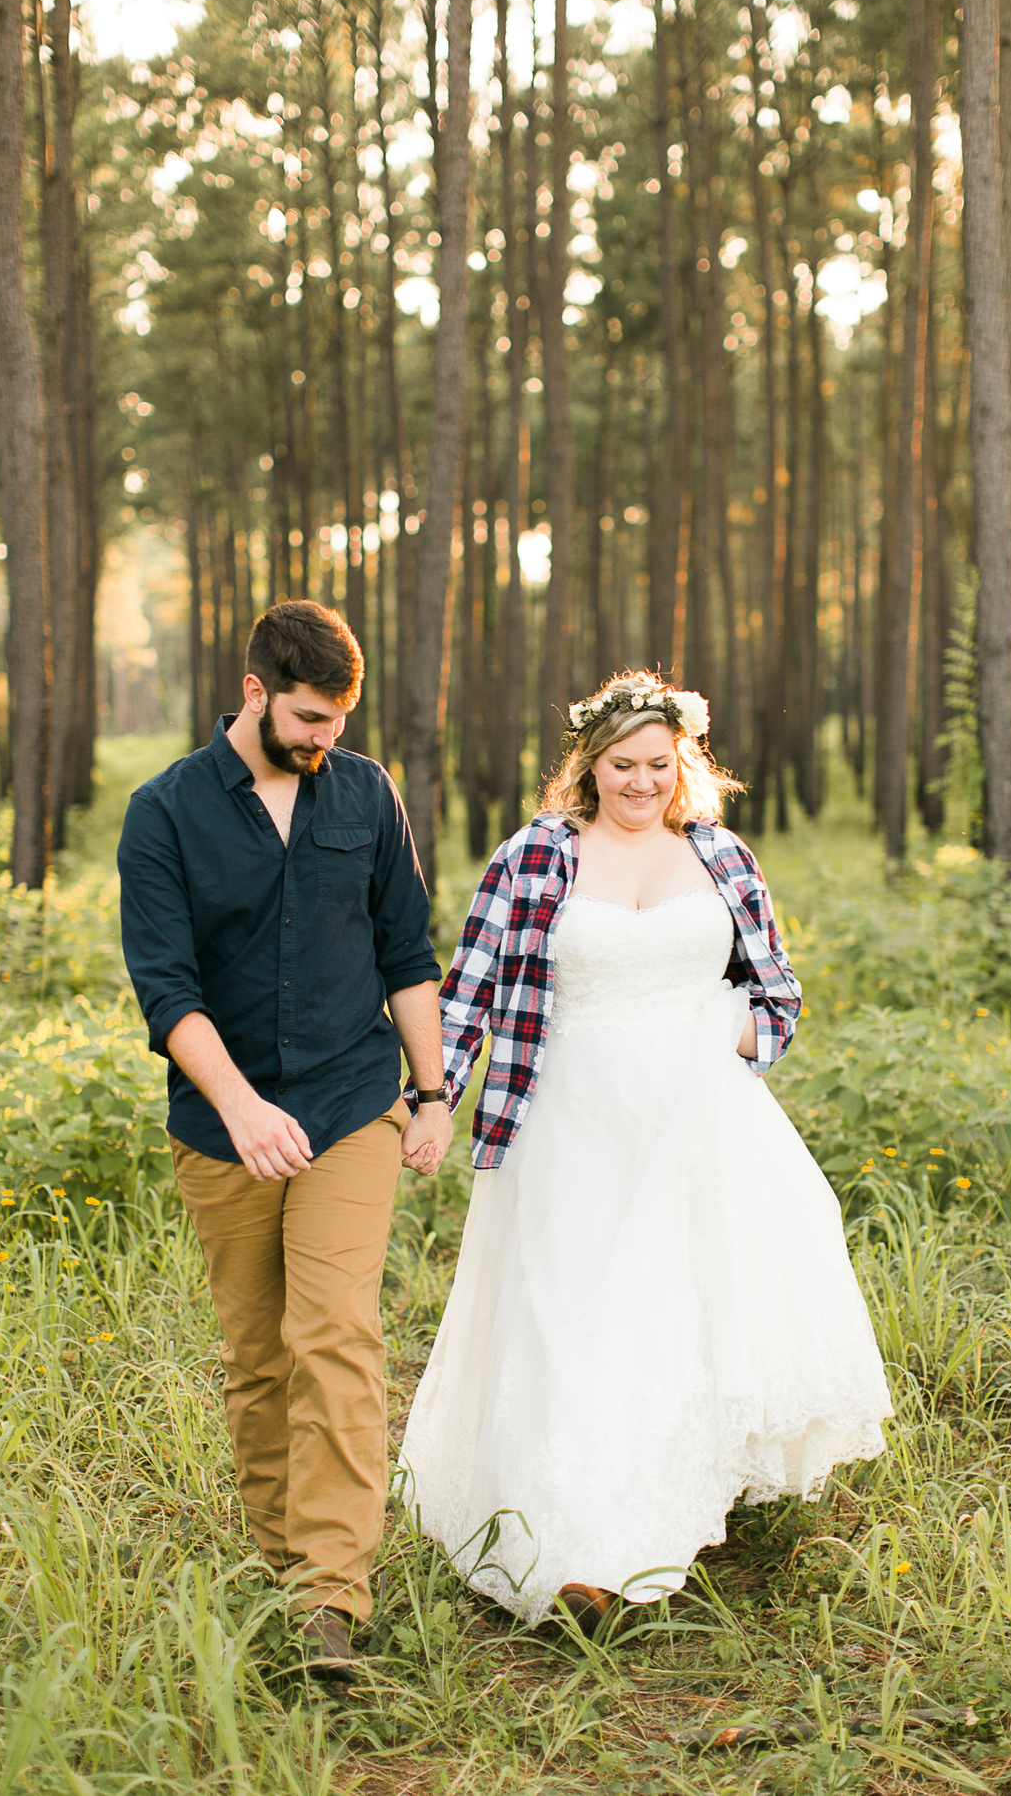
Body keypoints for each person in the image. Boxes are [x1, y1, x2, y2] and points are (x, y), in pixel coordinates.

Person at [398, 673, 894, 1632]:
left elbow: (777, 990)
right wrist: (433, 1099)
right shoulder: (536, 854)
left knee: (672, 1308)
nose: (638, 782)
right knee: (570, 1311)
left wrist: (733, 1038)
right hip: (566, 1116)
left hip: (697, 1118)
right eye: (620, 765)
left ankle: (665, 1507)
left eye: (657, 765)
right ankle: (576, 1545)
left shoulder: (719, 854)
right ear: (588, 765)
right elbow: (470, 987)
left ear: (684, 765)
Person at [117, 600, 452, 1681]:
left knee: (338, 1334)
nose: (326, 741)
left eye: (340, 721)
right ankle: (282, 1564)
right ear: (253, 691)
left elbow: (406, 949)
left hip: (354, 1102)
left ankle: (329, 1601)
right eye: (309, 718)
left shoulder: (364, 792)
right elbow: (166, 990)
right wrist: (240, 1108)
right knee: (258, 1358)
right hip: (224, 1125)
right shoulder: (162, 811)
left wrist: (434, 1090)